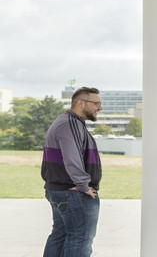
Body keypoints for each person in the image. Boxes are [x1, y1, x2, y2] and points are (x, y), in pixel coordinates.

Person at [41, 86, 103, 257]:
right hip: (73, 193)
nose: (100, 107)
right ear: (81, 103)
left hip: (61, 190)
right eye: (96, 103)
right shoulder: (71, 123)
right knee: (80, 239)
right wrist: (83, 185)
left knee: (60, 236)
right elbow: (72, 157)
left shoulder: (67, 122)